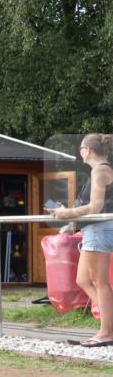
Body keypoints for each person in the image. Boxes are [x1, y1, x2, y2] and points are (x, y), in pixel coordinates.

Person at [49, 133, 113, 347]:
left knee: (99, 282)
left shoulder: (100, 171)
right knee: (83, 280)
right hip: (94, 230)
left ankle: (106, 333)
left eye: (81, 148)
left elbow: (95, 207)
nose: (80, 152)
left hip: (99, 230)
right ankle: (109, 324)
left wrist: (66, 214)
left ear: (89, 150)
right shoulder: (100, 171)